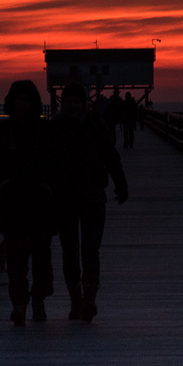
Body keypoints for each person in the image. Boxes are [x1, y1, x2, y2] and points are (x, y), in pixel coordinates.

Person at [53, 78, 129, 321]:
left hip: (93, 196)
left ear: (84, 103)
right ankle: (75, 299)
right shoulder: (55, 128)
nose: (73, 106)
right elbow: (45, 161)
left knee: (90, 249)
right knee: (69, 251)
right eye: (69, 102)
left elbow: (111, 155)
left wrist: (121, 184)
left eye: (77, 102)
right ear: (63, 104)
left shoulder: (96, 125)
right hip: (64, 199)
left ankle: (89, 299)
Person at [0, 80, 55, 326]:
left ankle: (39, 299)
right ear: (11, 103)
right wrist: (2, 183)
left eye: (27, 100)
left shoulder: (45, 130)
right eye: (18, 100)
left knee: (42, 256)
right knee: (16, 258)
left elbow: (59, 163)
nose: (23, 104)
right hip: (13, 203)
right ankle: (19, 304)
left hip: (40, 203)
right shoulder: (2, 131)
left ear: (35, 103)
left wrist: (49, 185)